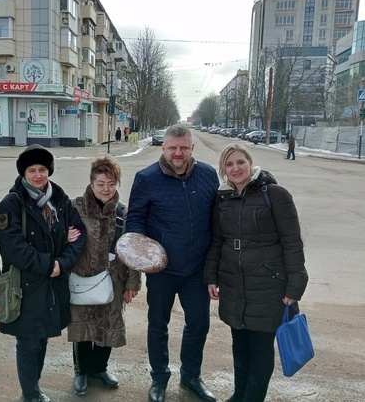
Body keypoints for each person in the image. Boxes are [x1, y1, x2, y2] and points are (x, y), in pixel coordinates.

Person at [204, 143, 308, 402]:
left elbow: (292, 242)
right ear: (224, 171)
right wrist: (211, 276)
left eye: (240, 162)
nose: (236, 168)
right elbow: (217, 240)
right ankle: (239, 395)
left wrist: (295, 286)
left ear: (250, 164)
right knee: (240, 346)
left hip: (268, 284)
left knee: (261, 350)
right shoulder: (223, 199)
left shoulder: (274, 194)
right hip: (234, 284)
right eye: (229, 164)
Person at [126, 124, 219, 402]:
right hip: (162, 271)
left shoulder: (207, 174)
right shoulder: (146, 178)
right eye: (172, 148)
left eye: (183, 147)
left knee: (199, 323)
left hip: (196, 270)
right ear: (163, 148)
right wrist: (143, 257)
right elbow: (135, 222)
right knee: (158, 325)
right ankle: (159, 378)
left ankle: (191, 376)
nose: (177, 153)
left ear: (192, 148)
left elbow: (217, 219)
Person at [0, 144, 86, 402]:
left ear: (49, 171)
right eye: (32, 170)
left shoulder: (59, 200)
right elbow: (13, 249)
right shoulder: (11, 204)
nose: (38, 175)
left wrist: (63, 264)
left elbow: (78, 237)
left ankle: (33, 391)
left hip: (53, 288)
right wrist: (51, 265)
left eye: (43, 169)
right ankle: (30, 394)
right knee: (28, 344)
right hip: (25, 288)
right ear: (24, 173)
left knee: (43, 340)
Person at [68, 155, 141, 397]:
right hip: (82, 277)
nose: (105, 189)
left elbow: (132, 249)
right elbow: (59, 240)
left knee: (107, 324)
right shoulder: (75, 207)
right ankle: (81, 371)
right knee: (83, 325)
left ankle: (99, 368)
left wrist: (132, 282)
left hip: (114, 280)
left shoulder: (123, 213)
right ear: (91, 183)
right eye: (100, 183)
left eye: (111, 183)